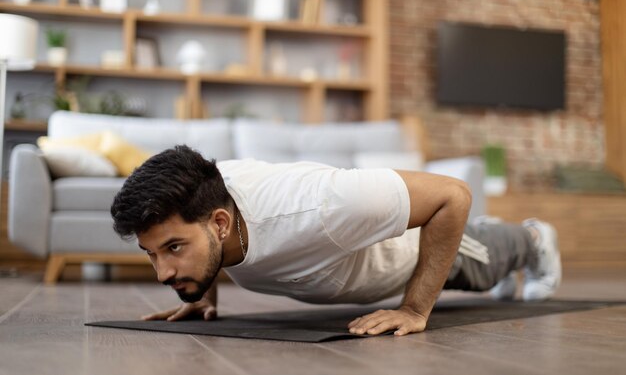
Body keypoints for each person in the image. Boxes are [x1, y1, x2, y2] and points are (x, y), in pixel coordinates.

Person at [110, 145, 561, 337]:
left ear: (222, 224)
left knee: (481, 265)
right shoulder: (205, 202)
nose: (162, 274)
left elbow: (453, 195)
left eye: (173, 250)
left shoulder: (325, 205)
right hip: (354, 262)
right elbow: (197, 234)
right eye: (152, 254)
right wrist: (199, 294)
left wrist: (415, 309)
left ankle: (535, 237)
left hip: (406, 252)